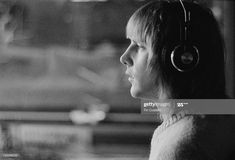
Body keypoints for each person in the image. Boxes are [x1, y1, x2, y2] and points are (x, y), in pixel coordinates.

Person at [120, 0, 235, 160]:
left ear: (182, 58)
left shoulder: (183, 146)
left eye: (140, 46)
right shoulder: (219, 115)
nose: (124, 58)